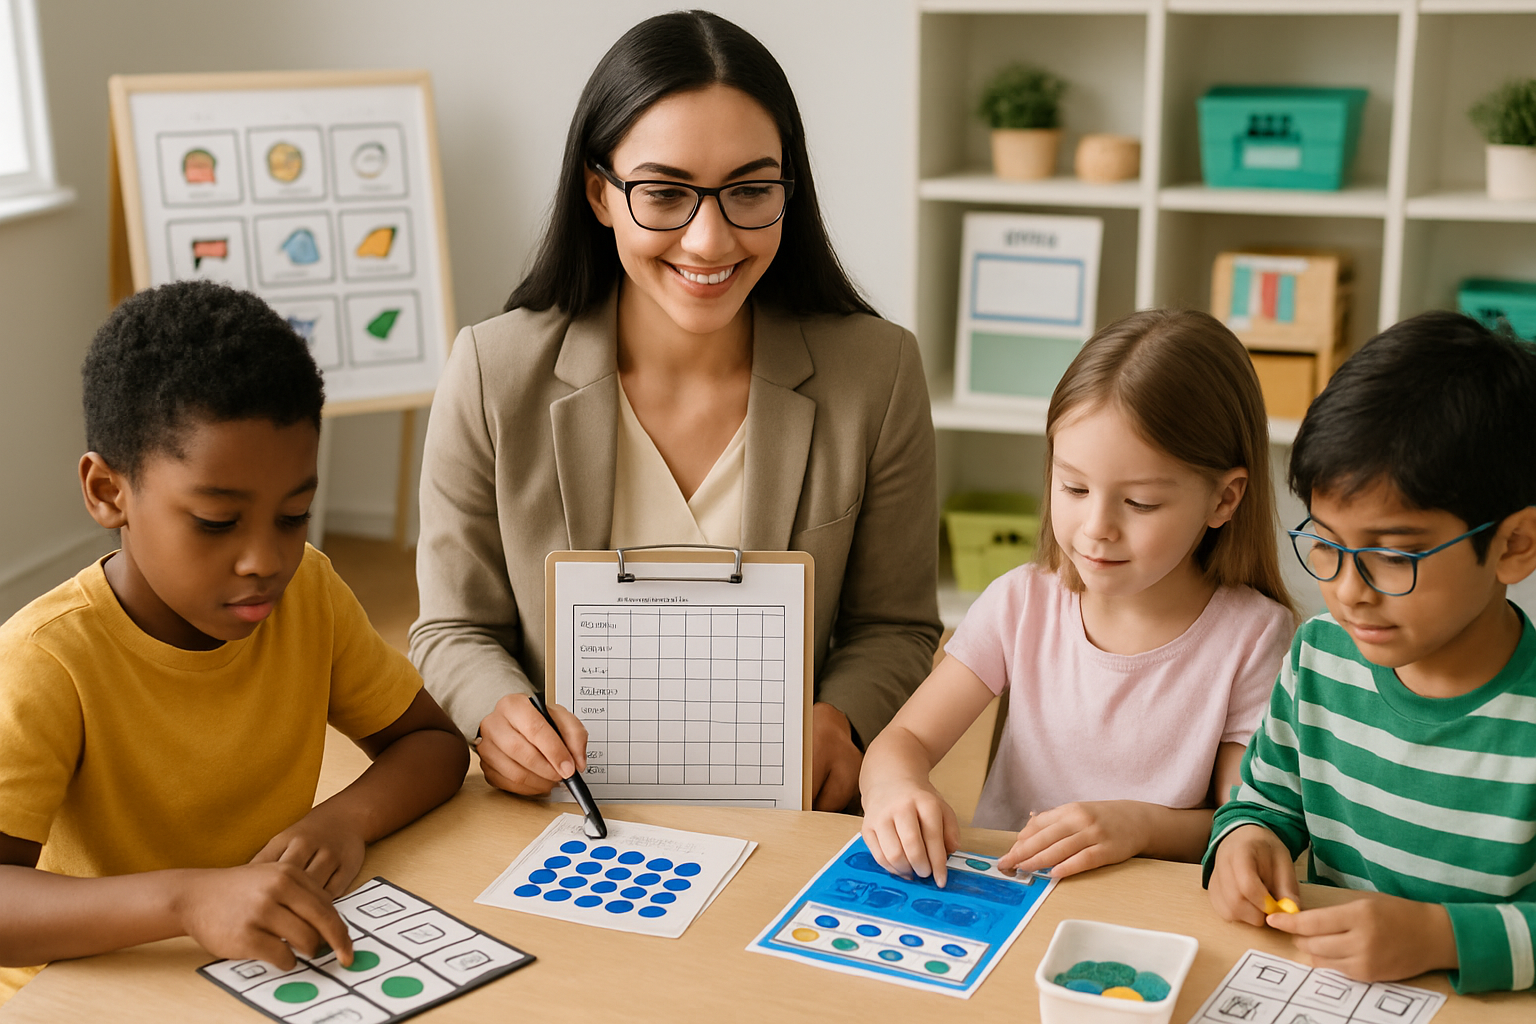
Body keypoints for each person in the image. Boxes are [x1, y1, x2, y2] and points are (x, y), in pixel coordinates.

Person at [411, 10, 941, 811]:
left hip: (788, 808)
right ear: (600, 193)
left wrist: (843, 720)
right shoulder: (491, 371)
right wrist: (498, 714)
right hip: (571, 812)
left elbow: (894, 625)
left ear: (788, 191)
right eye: (664, 193)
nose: (708, 241)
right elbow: (453, 627)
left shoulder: (878, 372)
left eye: (750, 191)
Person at [0, 281, 470, 1002]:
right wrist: (187, 900)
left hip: (255, 972)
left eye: (294, 515)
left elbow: (432, 744)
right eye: (217, 522)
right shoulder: (45, 660)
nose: (264, 561)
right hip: (92, 994)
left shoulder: (308, 593)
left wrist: (345, 820)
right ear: (108, 492)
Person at [860, 309, 1296, 886]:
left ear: (1224, 499)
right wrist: (897, 786)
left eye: (1139, 503)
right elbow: (903, 741)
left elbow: (1244, 825)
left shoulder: (1254, 636)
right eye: (1074, 487)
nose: (1096, 528)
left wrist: (1139, 826)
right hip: (1007, 892)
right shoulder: (1021, 603)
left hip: (1144, 906)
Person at [1205, 312, 1536, 994]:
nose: (1348, 591)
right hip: (1329, 993)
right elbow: (1262, 802)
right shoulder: (1320, 658)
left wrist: (1440, 936)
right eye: (1327, 544)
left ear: (1514, 545)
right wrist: (1244, 842)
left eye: (1393, 555)